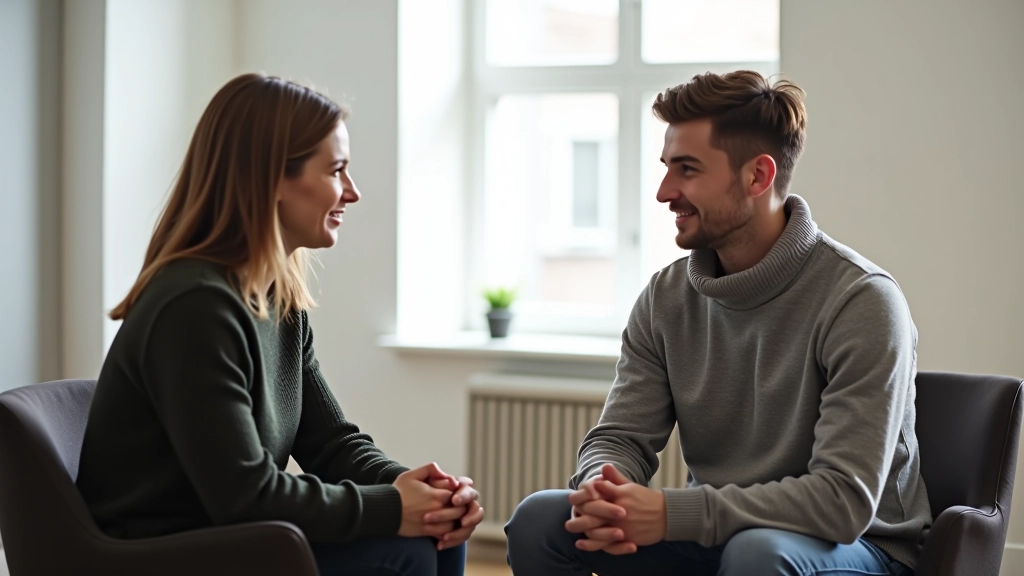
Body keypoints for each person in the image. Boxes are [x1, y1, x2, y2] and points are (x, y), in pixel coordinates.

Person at [505, 70, 931, 576]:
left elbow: (841, 501)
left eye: (687, 170)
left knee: (757, 555)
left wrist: (669, 514)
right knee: (541, 520)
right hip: (719, 533)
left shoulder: (862, 300)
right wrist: (603, 488)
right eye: (666, 167)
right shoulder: (666, 297)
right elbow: (619, 435)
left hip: (861, 546)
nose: (664, 192)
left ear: (758, 176)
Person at [76, 73, 483, 576]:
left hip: (229, 536)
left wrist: (418, 492)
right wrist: (394, 508)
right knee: (406, 548)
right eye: (336, 170)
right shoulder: (194, 306)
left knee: (437, 535)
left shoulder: (276, 300)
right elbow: (245, 495)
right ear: (271, 180)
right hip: (165, 553)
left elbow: (331, 444)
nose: (352, 192)